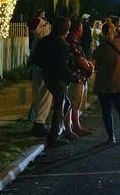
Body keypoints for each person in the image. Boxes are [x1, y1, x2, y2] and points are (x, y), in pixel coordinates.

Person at [28, 16, 74, 147]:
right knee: (61, 106)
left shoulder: (45, 40)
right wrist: (73, 76)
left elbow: (36, 58)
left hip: (47, 76)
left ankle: (52, 131)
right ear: (64, 30)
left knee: (56, 104)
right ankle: (54, 135)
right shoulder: (63, 45)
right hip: (58, 79)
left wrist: (45, 67)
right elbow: (63, 67)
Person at [93, 22, 120, 143]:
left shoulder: (100, 48)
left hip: (104, 84)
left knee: (106, 110)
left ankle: (111, 136)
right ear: (113, 32)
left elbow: (97, 67)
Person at [65, 18, 94, 139]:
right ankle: (69, 128)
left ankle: (77, 126)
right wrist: (89, 66)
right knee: (72, 102)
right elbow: (79, 59)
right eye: (81, 27)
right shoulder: (72, 43)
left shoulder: (75, 42)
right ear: (77, 29)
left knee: (76, 103)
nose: (82, 29)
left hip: (79, 77)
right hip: (75, 77)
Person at [27, 9, 53, 137]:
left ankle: (35, 118)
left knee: (39, 92)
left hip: (38, 64)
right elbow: (33, 23)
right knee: (43, 93)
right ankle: (39, 122)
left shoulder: (39, 32)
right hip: (44, 65)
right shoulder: (42, 28)